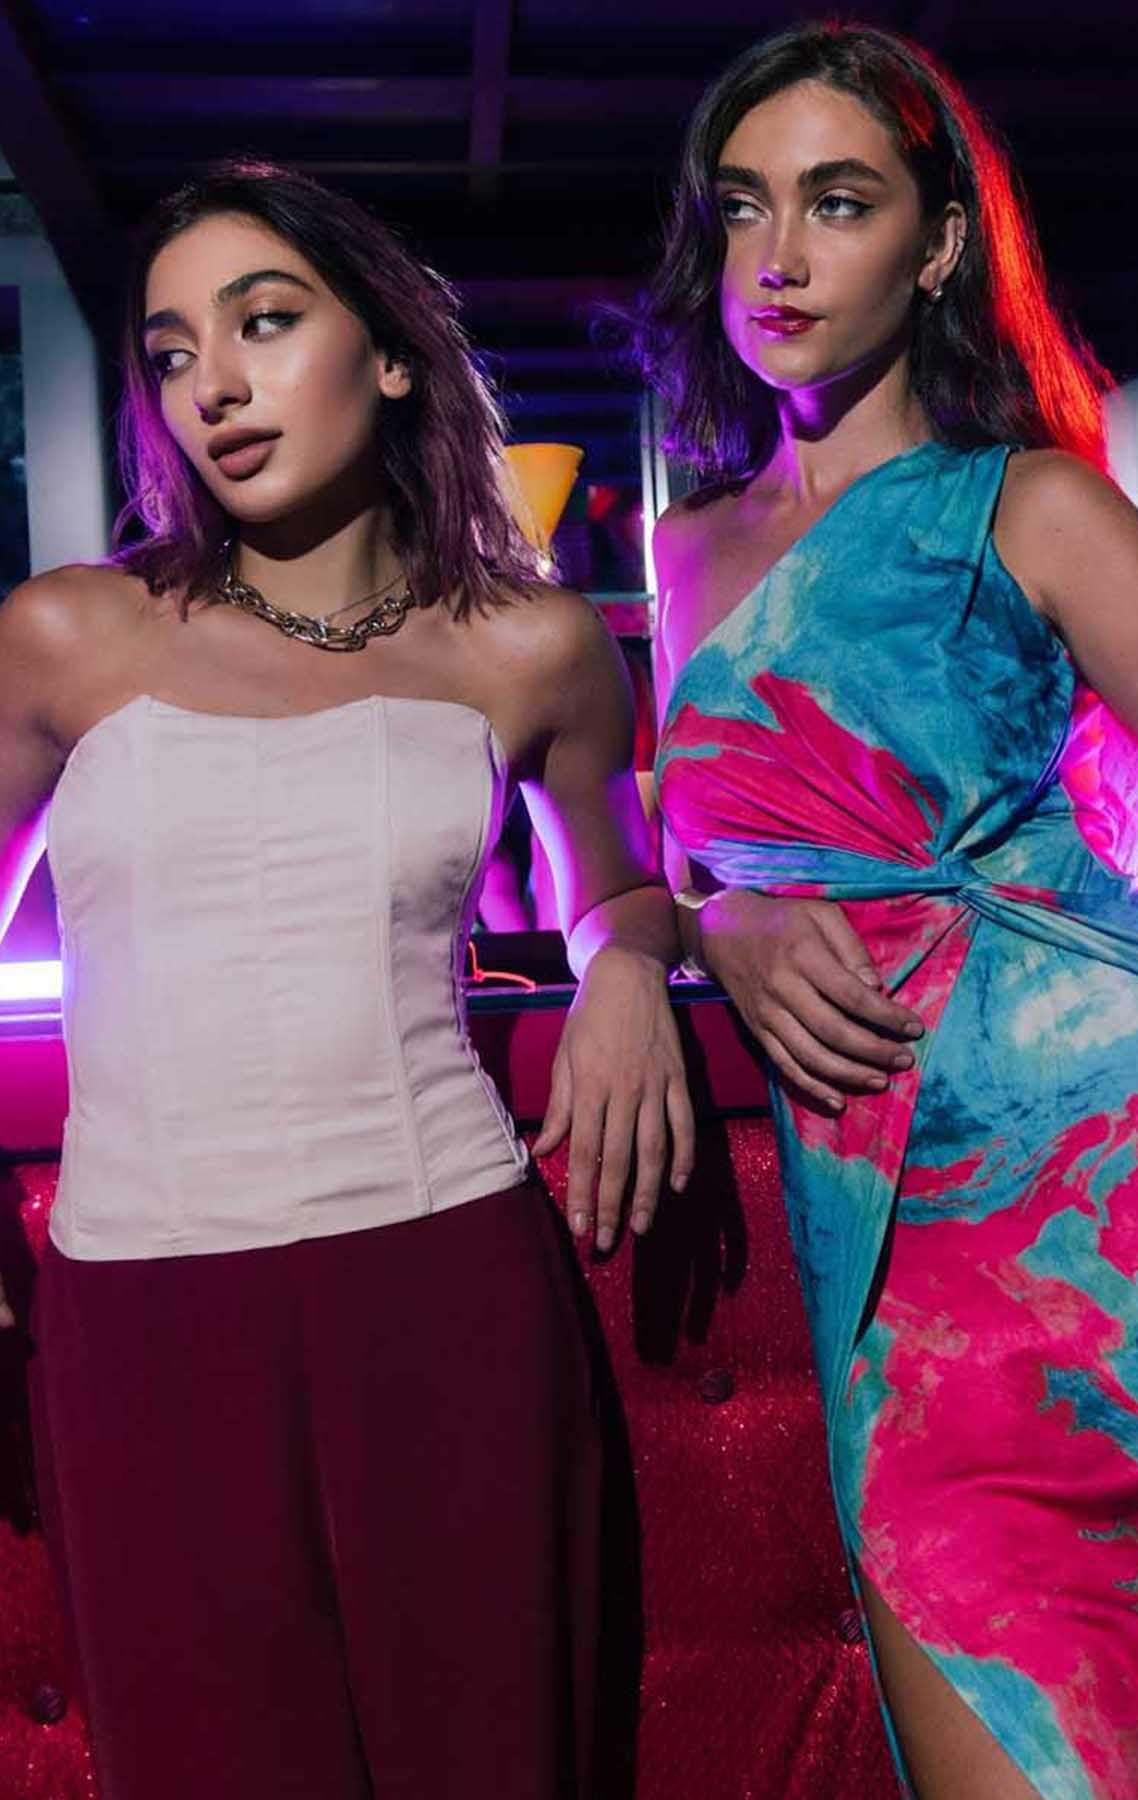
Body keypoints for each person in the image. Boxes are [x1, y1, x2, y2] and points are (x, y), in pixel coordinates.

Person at [0, 158, 694, 1800]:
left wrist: (624, 971)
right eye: (172, 351)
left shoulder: (528, 648)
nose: (213, 387)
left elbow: (620, 889)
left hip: (443, 1277)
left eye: (262, 322)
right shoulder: (65, 637)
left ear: (387, 352)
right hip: (140, 1308)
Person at [639, 22, 1138, 1800]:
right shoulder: (686, 549)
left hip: (1132, 1180)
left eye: (839, 202)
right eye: (744, 207)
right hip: (898, 1246)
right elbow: (695, 854)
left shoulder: (1032, 504)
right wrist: (713, 923)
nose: (780, 256)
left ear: (939, 243)